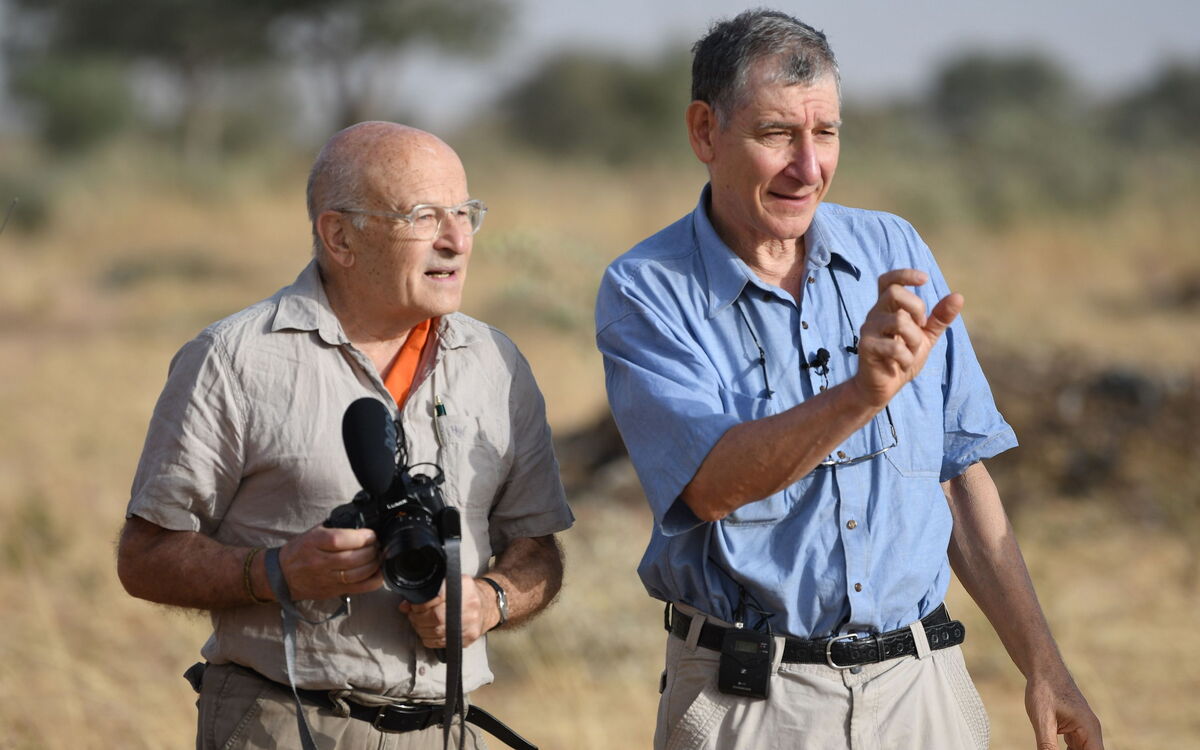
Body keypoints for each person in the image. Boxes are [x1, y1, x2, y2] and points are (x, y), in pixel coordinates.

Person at [595, 10, 1102, 750]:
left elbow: (958, 476)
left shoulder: (893, 247)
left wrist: (1045, 667)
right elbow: (710, 486)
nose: (809, 168)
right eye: (776, 135)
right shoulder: (648, 290)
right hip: (754, 704)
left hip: (922, 691)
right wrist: (861, 395)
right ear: (705, 131)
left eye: (825, 133)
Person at [118, 121, 574, 749]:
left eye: (466, 213)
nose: (458, 240)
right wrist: (278, 571)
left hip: (447, 731)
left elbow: (538, 548)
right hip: (282, 724)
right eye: (424, 216)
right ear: (340, 236)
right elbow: (145, 557)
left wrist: (488, 602)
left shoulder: (496, 363)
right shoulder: (233, 358)